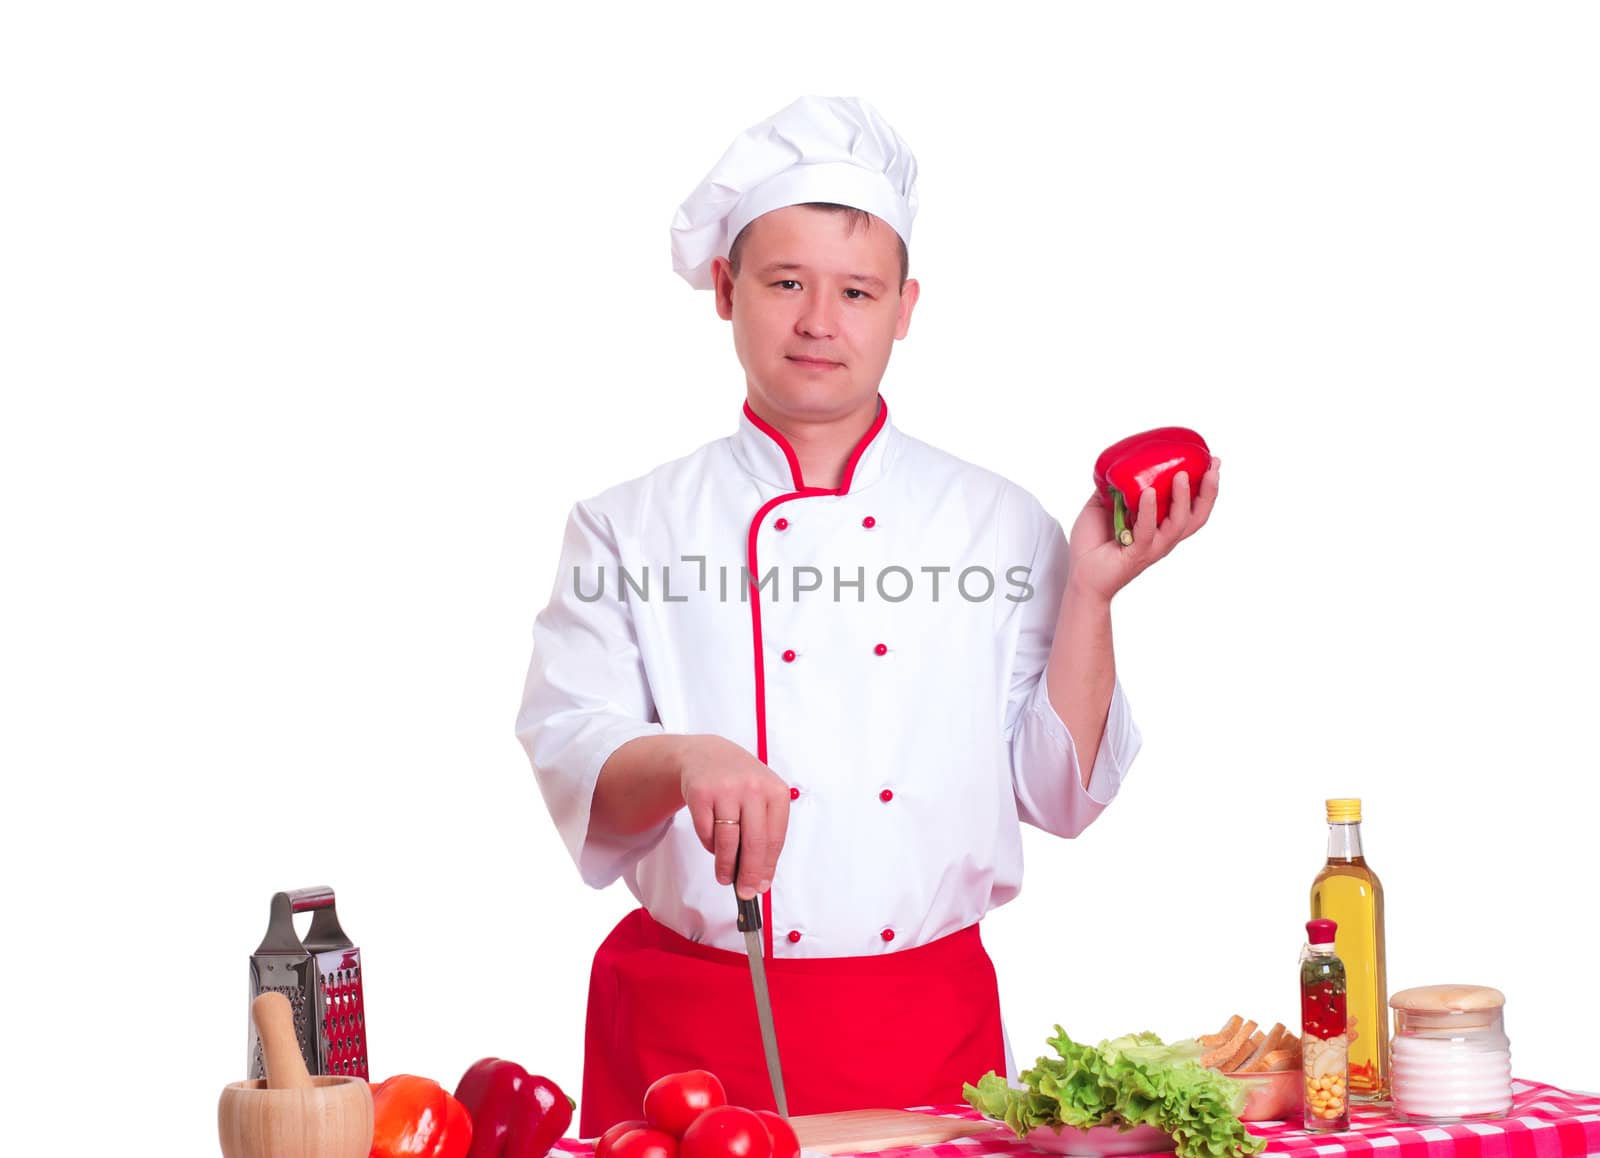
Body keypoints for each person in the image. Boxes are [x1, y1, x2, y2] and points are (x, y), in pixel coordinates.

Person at [516, 95, 1219, 1136]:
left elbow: (1058, 796)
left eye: (855, 290)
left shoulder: (995, 521)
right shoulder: (627, 527)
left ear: (904, 307)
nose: (818, 321)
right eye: (785, 282)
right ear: (725, 288)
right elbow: (578, 766)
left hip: (926, 1031)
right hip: (691, 1036)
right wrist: (685, 758)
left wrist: (1089, 590)